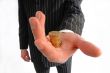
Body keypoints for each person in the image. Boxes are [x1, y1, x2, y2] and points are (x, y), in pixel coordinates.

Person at [18, 0, 101, 73]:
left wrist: (68, 32)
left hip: (62, 45)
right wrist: (23, 47)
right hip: (36, 46)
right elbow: (23, 20)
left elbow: (74, 9)